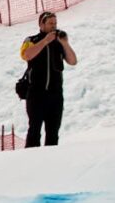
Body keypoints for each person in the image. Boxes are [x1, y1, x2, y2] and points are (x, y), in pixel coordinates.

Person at [19, 11, 78, 147]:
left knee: (53, 132)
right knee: (34, 130)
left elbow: (73, 61)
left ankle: (51, 163)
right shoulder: (31, 40)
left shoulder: (59, 43)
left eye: (55, 23)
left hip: (55, 95)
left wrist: (65, 43)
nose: (54, 26)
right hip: (36, 94)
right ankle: (30, 161)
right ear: (41, 24)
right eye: (50, 23)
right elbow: (26, 55)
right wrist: (45, 41)